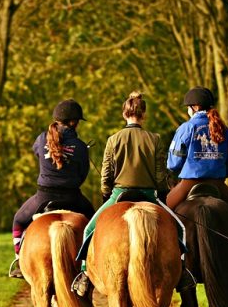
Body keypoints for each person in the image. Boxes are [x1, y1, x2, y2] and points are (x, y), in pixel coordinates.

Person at [71, 91, 192, 296]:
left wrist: (106, 194)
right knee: (180, 229)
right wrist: (161, 196)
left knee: (88, 230)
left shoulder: (113, 139)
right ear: (143, 115)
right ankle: (182, 272)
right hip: (148, 194)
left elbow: (106, 173)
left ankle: (84, 274)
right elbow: (160, 173)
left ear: (124, 114)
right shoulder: (155, 138)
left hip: (119, 194)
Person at [167, 87, 228, 278]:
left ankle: (167, 261)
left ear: (194, 107)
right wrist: (219, 173)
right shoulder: (225, 130)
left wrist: (182, 172)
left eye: (188, 107)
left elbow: (174, 161)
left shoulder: (186, 128)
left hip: (189, 182)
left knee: (163, 213)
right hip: (218, 183)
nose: (187, 110)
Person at [9, 99, 95, 278]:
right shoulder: (79, 146)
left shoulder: (42, 139)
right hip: (73, 197)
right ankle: (89, 265)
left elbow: (37, 153)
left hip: (43, 196)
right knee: (95, 222)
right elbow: (82, 175)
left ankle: (19, 259)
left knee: (18, 220)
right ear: (73, 122)